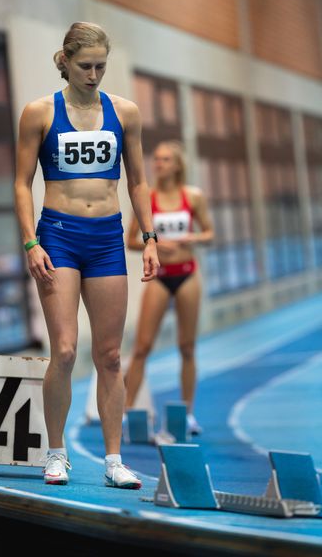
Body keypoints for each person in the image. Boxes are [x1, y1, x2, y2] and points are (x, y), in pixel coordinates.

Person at [14, 22, 159, 487]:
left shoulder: (125, 113)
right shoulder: (39, 113)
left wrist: (151, 236)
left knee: (111, 355)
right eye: (85, 66)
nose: (94, 75)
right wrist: (30, 242)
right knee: (64, 349)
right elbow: (20, 184)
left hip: (106, 239)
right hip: (58, 235)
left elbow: (137, 181)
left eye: (100, 66)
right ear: (66, 62)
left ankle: (114, 460)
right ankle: (56, 453)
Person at [124, 140, 214, 436]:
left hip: (188, 274)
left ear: (177, 164)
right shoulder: (146, 198)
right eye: (156, 159)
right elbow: (131, 241)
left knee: (187, 347)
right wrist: (157, 243)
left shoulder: (193, 197)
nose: (158, 164)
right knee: (142, 347)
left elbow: (210, 233)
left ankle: (187, 414)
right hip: (160, 276)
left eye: (164, 160)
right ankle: (124, 413)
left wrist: (192, 239)